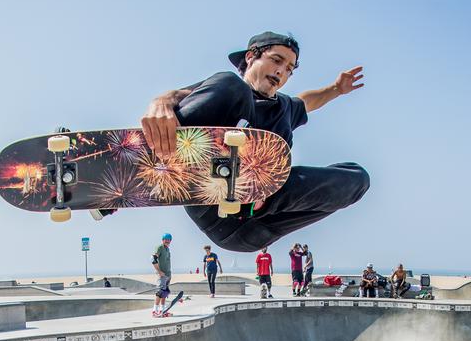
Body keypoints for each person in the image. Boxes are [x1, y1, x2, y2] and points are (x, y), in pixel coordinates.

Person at [140, 31, 369, 253]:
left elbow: (308, 100)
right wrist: (161, 101)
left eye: (289, 69)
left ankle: (256, 197)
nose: (281, 71)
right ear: (251, 57)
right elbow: (180, 94)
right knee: (232, 85)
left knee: (357, 178)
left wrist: (336, 89)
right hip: (212, 211)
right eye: (276, 60)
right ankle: (145, 164)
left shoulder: (285, 108)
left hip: (257, 225)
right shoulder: (228, 89)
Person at [152, 232, 173, 315]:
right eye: (166, 239)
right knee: (160, 292)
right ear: (163, 240)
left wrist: (169, 275)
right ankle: (155, 311)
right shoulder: (160, 247)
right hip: (162, 274)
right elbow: (153, 259)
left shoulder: (167, 249)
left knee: (165, 292)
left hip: (168, 274)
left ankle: (162, 310)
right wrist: (159, 271)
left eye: (169, 239)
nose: (167, 241)